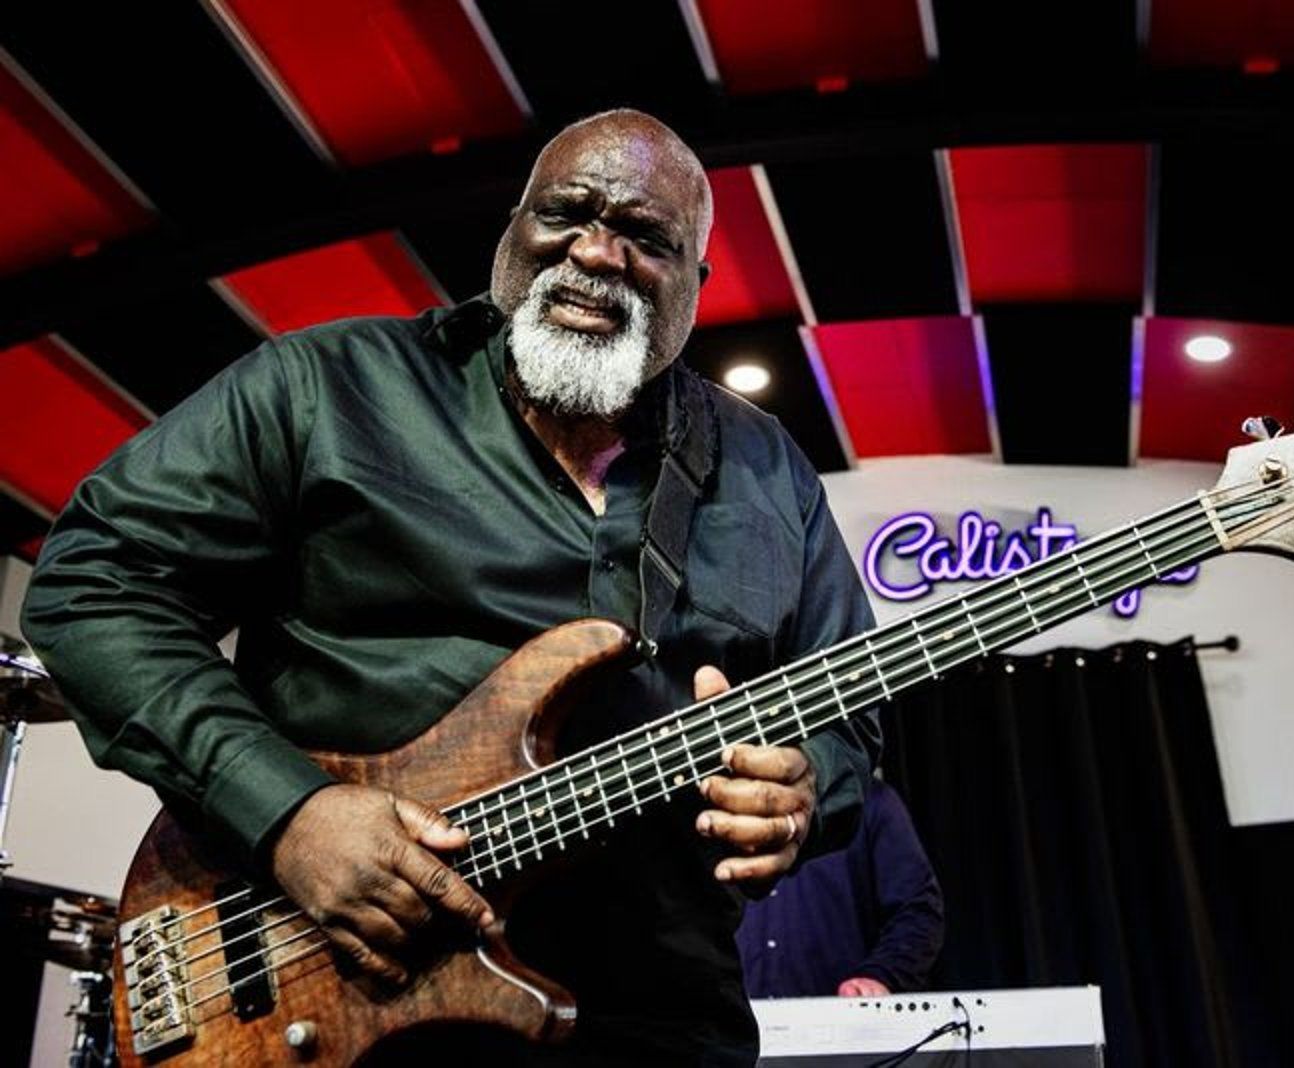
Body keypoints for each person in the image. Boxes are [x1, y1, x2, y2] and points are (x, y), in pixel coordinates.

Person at [21, 109, 879, 1065]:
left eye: (645, 236)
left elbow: (848, 720)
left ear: (695, 284)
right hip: (334, 994)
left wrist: (805, 790)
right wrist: (286, 812)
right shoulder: (328, 387)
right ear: (513, 229)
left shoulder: (769, 473)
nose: (597, 253)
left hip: (659, 1018)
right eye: (567, 215)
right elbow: (97, 580)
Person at [737, 778, 943, 999]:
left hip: (845, 1017)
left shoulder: (872, 799)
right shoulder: (710, 803)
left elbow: (917, 909)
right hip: (728, 1023)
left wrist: (881, 976)